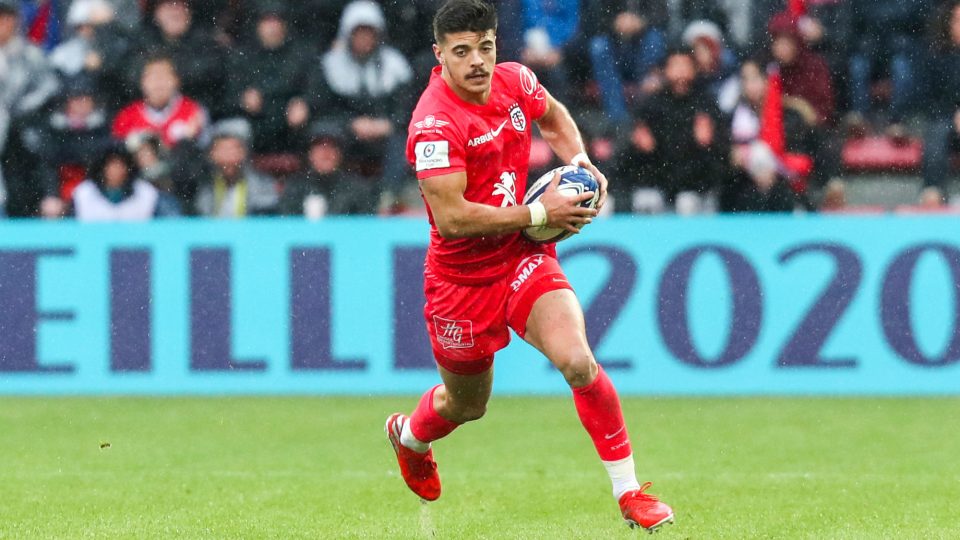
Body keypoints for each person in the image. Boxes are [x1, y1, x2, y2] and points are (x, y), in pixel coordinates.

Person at [385, 0, 674, 531]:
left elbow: (556, 118)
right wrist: (542, 211)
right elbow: (451, 219)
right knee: (467, 405)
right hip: (460, 281)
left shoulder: (516, 80)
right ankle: (409, 437)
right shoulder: (433, 123)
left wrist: (580, 163)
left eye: (486, 47)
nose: (477, 61)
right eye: (462, 51)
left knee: (578, 362)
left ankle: (630, 492)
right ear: (439, 55)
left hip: (522, 254)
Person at [72, 145, 162, 221]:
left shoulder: (146, 192)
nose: (116, 170)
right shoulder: (84, 193)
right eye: (111, 165)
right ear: (102, 167)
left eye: (120, 165)